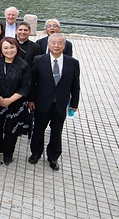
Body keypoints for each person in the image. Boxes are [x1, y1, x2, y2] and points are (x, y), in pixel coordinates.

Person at [28, 33, 80, 171]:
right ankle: (35, 153)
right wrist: (31, 100)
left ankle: (53, 157)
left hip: (60, 103)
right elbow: (33, 82)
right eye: (53, 43)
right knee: (38, 129)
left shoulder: (72, 62)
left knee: (57, 131)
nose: (56, 46)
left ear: (64, 45)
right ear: (48, 44)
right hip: (42, 102)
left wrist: (74, 103)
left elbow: (76, 84)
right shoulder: (39, 60)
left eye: (59, 43)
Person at [0, 37, 31, 165]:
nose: (9, 50)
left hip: (15, 102)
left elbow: (26, 86)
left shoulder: (23, 65)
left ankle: (8, 153)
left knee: (11, 130)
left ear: (17, 48)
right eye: (5, 47)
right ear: (1, 49)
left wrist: (9, 100)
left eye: (12, 47)